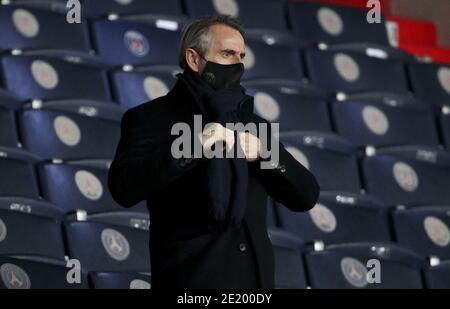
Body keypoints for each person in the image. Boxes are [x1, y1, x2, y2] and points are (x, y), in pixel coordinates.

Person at [108, 15, 320, 289]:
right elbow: (124, 188)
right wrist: (194, 145)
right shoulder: (151, 117)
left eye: (241, 55)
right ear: (194, 59)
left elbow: (306, 196)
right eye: (227, 53)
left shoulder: (254, 126)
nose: (238, 64)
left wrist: (266, 154)